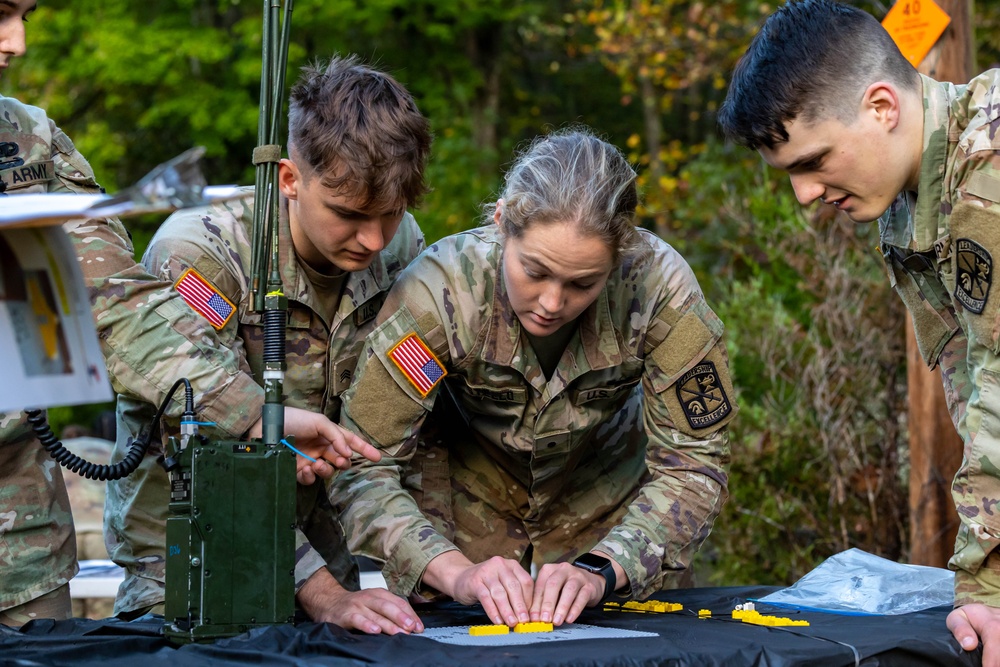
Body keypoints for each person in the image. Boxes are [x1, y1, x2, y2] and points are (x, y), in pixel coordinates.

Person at [0, 0, 368, 626]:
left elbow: (118, 308)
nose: (16, 42)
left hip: (15, 541)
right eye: (1, 12)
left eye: (24, 16)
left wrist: (252, 414)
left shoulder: (28, 140)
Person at [332, 128, 735, 628]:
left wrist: (606, 568)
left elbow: (694, 466)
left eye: (583, 283)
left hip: (611, 526)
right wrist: (453, 573)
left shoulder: (659, 291)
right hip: (462, 535)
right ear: (501, 224)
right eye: (534, 271)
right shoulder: (439, 294)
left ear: (621, 255)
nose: (551, 303)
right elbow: (361, 464)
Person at [105, 55, 433, 635]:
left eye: (392, 213)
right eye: (350, 214)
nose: (373, 239)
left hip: (326, 568)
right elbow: (203, 449)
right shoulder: (204, 253)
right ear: (289, 178)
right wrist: (323, 594)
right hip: (191, 571)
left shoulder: (400, 246)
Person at [717, 0, 1000, 660]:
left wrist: (987, 580)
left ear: (881, 106)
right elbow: (970, 378)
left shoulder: (988, 166)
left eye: (814, 162)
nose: (806, 196)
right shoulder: (910, 200)